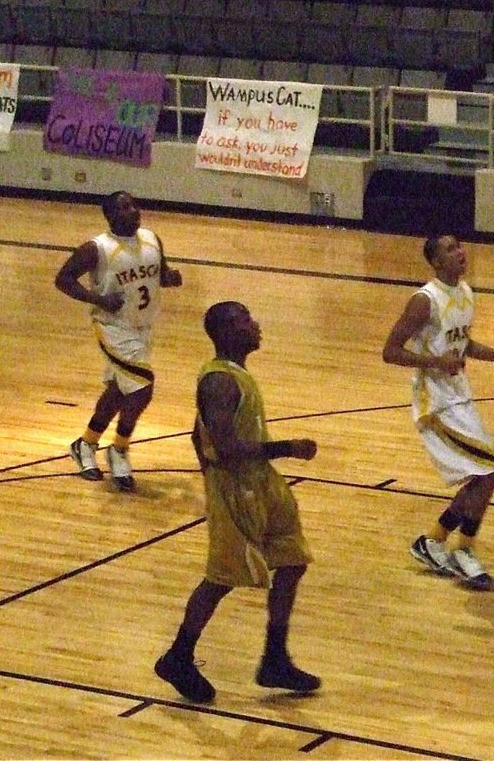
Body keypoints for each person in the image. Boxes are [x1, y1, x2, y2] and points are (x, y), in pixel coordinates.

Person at [154, 301, 321, 704]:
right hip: (236, 487)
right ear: (226, 332)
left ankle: (274, 658)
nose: (255, 324)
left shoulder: (236, 376)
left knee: (293, 560)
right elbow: (225, 448)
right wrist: (286, 447)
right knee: (221, 578)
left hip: (262, 482)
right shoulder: (219, 382)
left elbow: (197, 434)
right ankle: (178, 656)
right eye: (245, 320)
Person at [382, 235, 494, 591]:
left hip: (459, 397)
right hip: (435, 403)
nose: (460, 251)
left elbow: (464, 344)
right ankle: (463, 549)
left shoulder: (464, 292)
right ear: (435, 262)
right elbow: (390, 351)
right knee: (490, 473)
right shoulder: (423, 301)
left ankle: (433, 541)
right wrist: (436, 361)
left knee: (484, 476)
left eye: (459, 245)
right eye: (450, 249)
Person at [56, 191, 182, 491]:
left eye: (135, 205)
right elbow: (63, 279)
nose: (134, 210)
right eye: (125, 207)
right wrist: (98, 298)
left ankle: (85, 444)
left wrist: (170, 277)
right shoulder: (96, 248)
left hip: (143, 327)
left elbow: (160, 275)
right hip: (113, 328)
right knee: (142, 390)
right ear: (110, 215)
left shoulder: (152, 238)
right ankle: (120, 448)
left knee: (119, 391)